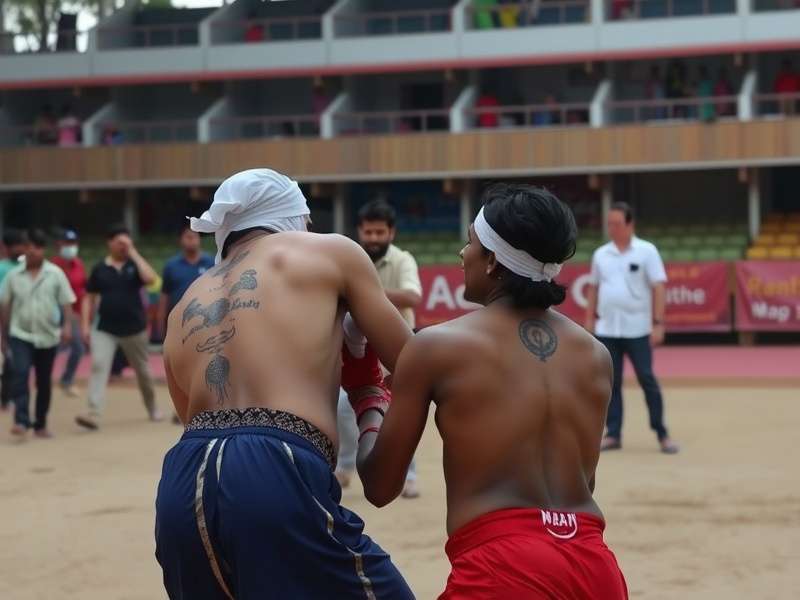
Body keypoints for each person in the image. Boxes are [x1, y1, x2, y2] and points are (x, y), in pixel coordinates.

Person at [351, 184, 628, 598]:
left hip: (503, 568)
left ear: (494, 261)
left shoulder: (436, 347)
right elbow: (583, 481)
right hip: (594, 564)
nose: (463, 254)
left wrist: (367, 395)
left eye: (470, 242)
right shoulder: (594, 354)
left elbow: (379, 486)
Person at [155, 168, 414, 599]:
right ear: (291, 217)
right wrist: (370, 395)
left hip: (183, 479)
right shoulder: (331, 252)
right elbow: (412, 361)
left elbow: (190, 416)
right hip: (276, 461)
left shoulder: (184, 305)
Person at [335, 201, 423, 499]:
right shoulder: (351, 260)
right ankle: (346, 466)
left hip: (395, 348)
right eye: (368, 231)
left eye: (379, 231)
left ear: (391, 232)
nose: (373, 237)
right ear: (360, 231)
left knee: (398, 413)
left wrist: (361, 292)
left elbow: (412, 296)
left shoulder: (402, 260)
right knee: (344, 408)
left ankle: (407, 475)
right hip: (356, 349)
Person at [584, 202, 679, 455]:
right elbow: (593, 287)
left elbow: (659, 286)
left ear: (630, 224)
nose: (611, 228)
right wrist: (590, 319)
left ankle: (662, 433)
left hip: (637, 328)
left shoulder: (647, 251)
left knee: (647, 379)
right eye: (609, 224)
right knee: (610, 383)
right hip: (607, 328)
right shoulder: (601, 254)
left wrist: (658, 323)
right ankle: (613, 433)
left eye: (616, 223)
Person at [75, 224, 162, 430]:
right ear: (110, 243)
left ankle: (152, 407)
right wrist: (85, 326)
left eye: (126, 241)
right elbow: (88, 298)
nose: (123, 245)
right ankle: (93, 414)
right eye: (119, 241)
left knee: (143, 371)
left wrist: (133, 252)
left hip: (135, 329)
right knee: (98, 366)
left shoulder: (135, 264)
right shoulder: (100, 268)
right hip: (105, 328)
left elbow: (151, 280)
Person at [0, 229, 76, 439]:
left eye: (37, 247)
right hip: (20, 334)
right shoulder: (13, 276)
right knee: (20, 374)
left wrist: (67, 327)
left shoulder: (55, 274)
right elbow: (5, 305)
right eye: (29, 246)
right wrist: (3, 336)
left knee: (43, 382)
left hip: (48, 336)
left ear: (43, 250)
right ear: (24, 248)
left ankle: (40, 424)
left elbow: (66, 302)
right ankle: (21, 421)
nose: (32, 251)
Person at [157, 224, 215, 339]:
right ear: (181, 240)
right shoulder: (171, 266)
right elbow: (164, 297)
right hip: (179, 322)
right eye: (188, 237)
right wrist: (161, 325)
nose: (192, 240)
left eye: (195, 236)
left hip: (206, 321)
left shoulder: (211, 263)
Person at [50, 228, 87, 397]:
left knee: (78, 348)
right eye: (67, 243)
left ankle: (67, 379)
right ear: (59, 244)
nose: (71, 247)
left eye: (73, 243)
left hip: (72, 313)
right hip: (51, 312)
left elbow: (82, 292)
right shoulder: (51, 266)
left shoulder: (78, 264)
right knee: (46, 348)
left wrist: (80, 318)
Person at [0, 229, 28, 412]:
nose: (21, 249)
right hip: (5, 320)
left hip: (22, 320)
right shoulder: (2, 268)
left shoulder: (27, 266)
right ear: (7, 248)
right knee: (7, 361)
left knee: (16, 363)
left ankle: (9, 398)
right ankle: (6, 399)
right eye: (17, 245)